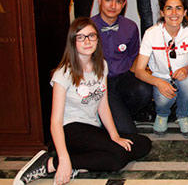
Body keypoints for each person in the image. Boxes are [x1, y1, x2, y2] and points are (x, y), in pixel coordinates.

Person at [14, 19, 151, 185]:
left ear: (97, 39)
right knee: (117, 159)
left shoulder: (101, 65)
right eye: (81, 37)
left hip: (93, 128)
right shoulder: (63, 73)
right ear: (73, 42)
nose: (87, 41)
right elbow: (55, 121)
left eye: (92, 36)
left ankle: (79, 163)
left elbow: (103, 104)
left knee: (143, 144)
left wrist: (115, 136)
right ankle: (51, 163)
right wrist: (63, 158)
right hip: (71, 129)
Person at [92, 0, 152, 135]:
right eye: (108, 0)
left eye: (118, 2)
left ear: (124, 4)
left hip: (122, 79)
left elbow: (134, 56)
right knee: (127, 132)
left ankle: (120, 114)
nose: (113, 6)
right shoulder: (88, 27)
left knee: (144, 90)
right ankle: (113, 118)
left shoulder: (130, 27)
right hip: (99, 83)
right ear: (100, 0)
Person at [135, 0, 188, 134]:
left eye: (178, 8)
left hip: (183, 75)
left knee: (187, 86)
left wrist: (187, 69)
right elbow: (139, 70)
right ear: (162, 12)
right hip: (160, 76)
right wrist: (158, 82)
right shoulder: (151, 33)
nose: (174, 13)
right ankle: (162, 114)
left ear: (185, 11)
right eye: (169, 8)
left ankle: (183, 115)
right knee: (163, 100)